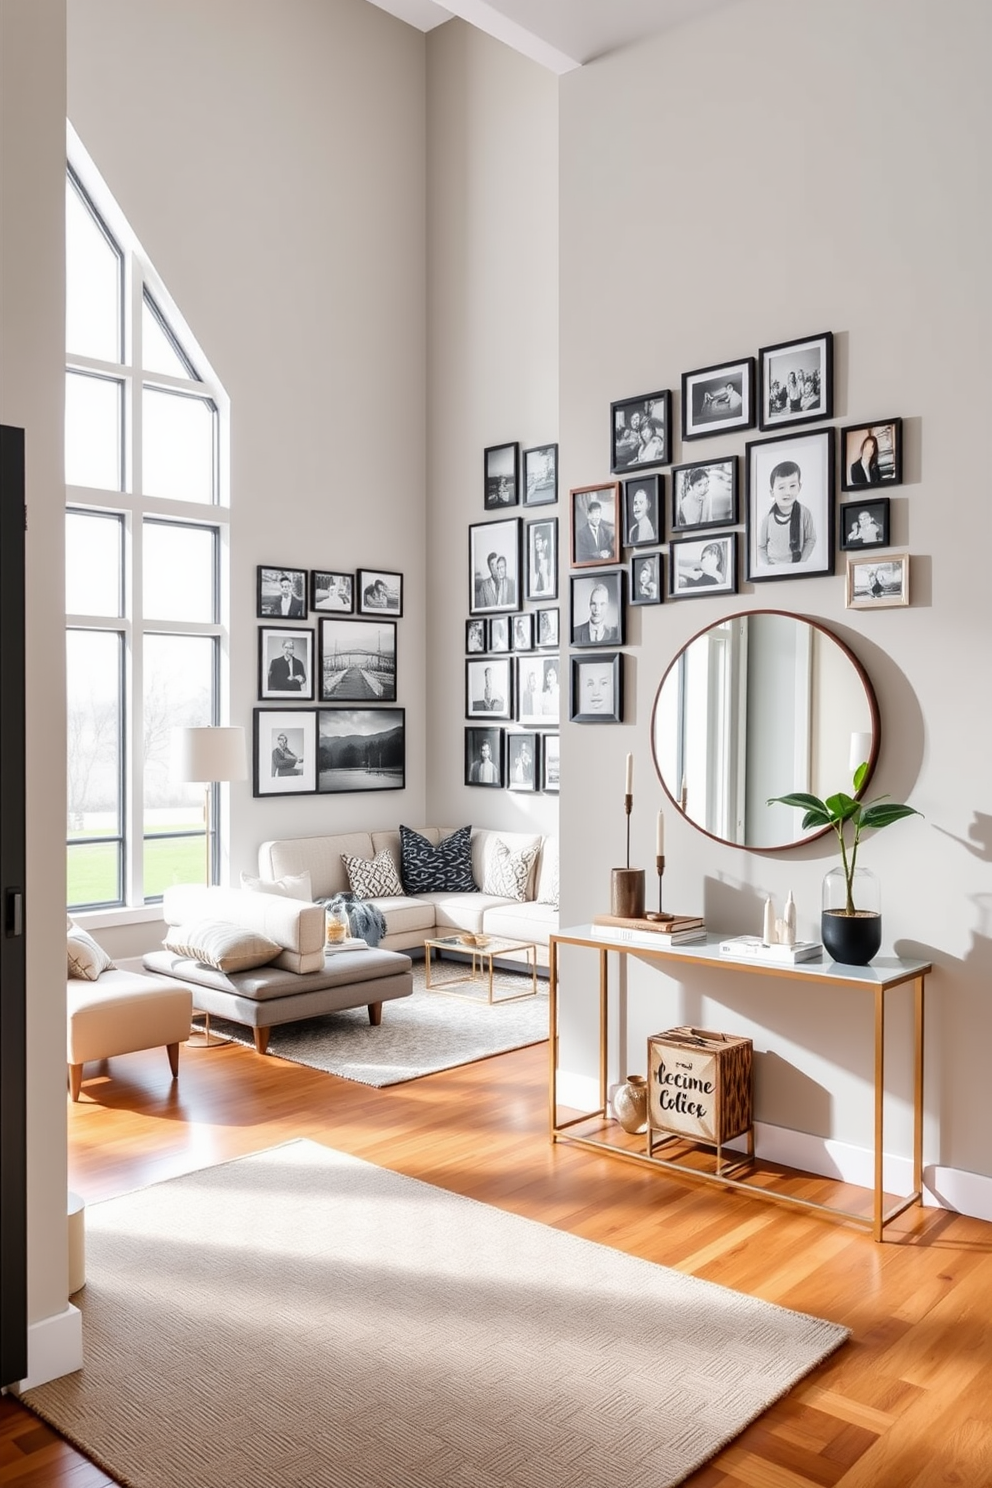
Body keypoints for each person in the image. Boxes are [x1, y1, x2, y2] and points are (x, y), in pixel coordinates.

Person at [757, 459, 816, 566]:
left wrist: (801, 563)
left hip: (796, 565)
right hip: (773, 567)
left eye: (792, 486)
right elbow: (761, 547)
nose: (787, 492)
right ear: (772, 492)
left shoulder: (804, 513)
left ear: (799, 487)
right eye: (781, 487)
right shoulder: (767, 517)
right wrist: (768, 566)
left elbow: (810, 539)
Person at [531, 529, 553, 595]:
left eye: (539, 541)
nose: (536, 544)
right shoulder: (537, 563)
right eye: (536, 541)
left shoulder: (549, 562)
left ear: (545, 542)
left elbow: (549, 589)